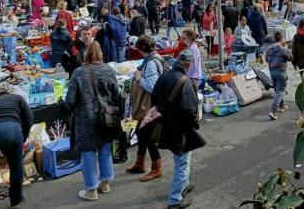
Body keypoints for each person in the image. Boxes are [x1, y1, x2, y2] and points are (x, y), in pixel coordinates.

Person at [151, 49, 207, 209]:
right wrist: (195, 124)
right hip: (180, 129)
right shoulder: (185, 81)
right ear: (188, 64)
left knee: (180, 159)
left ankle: (184, 186)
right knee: (182, 163)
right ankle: (175, 200)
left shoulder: (164, 76)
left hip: (165, 125)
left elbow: (153, 98)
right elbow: (191, 110)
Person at [65, 42, 120, 201]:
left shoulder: (79, 72)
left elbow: (70, 101)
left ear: (86, 54)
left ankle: (91, 190)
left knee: (88, 154)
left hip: (85, 119)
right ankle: (105, 184)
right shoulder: (108, 70)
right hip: (106, 118)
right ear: (101, 53)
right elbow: (116, 95)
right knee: (105, 150)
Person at [127, 35, 165, 181]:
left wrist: (138, 77)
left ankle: (157, 168)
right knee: (141, 132)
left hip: (150, 105)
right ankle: (140, 163)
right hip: (150, 105)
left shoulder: (151, 63)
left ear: (141, 49)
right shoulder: (155, 57)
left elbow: (152, 86)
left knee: (147, 135)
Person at [266, 31, 292, 120]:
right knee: (280, 91)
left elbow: (266, 59)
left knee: (277, 90)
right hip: (281, 72)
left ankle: (282, 105)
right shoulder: (283, 49)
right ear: (282, 39)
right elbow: (291, 58)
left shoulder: (269, 48)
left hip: (272, 72)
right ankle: (273, 111)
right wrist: (288, 48)